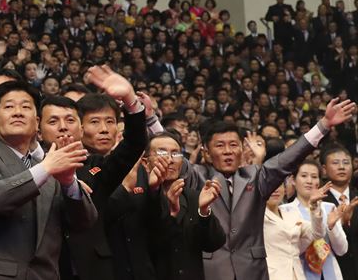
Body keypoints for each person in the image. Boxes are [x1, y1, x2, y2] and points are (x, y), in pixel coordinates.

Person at [176, 97, 356, 280]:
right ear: (206, 152)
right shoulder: (197, 175)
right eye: (220, 146)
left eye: (233, 145)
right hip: (212, 271)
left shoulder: (255, 176)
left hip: (253, 272)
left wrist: (324, 124)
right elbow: (172, 157)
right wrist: (149, 120)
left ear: (241, 150)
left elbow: (289, 157)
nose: (228, 151)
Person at [0, 80, 97, 279]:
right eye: (9, 107)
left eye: (25, 106)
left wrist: (68, 183)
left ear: (36, 122)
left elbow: (84, 222)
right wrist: (46, 168)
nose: (18, 112)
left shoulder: (49, 167)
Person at [39, 65, 155, 280]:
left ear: (80, 130)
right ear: (38, 130)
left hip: (92, 269)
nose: (63, 127)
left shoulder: (96, 165)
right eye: (53, 121)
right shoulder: (30, 167)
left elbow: (133, 144)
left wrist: (130, 101)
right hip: (45, 268)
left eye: (70, 120)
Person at [106, 131, 226, 280]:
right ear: (145, 163)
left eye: (176, 154)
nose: (170, 159)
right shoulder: (133, 199)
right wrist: (158, 195)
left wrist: (204, 211)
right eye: (162, 152)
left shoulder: (193, 197)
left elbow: (214, 243)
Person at [282, 160, 348, 279]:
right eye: (303, 176)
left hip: (331, 274)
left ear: (319, 181)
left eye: (314, 177)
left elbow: (342, 250)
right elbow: (288, 251)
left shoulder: (329, 208)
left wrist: (332, 227)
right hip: (300, 274)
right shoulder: (285, 211)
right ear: (293, 180)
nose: (309, 181)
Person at [264, 181, 326, 280]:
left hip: (298, 274)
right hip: (272, 275)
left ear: (284, 189)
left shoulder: (292, 213)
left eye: (278, 185)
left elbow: (318, 233)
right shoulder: (257, 217)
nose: (275, 190)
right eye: (270, 185)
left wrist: (314, 207)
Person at [322, 145, 358, 279]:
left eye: (346, 162)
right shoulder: (318, 201)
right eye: (335, 163)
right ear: (324, 170)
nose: (342, 167)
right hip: (332, 272)